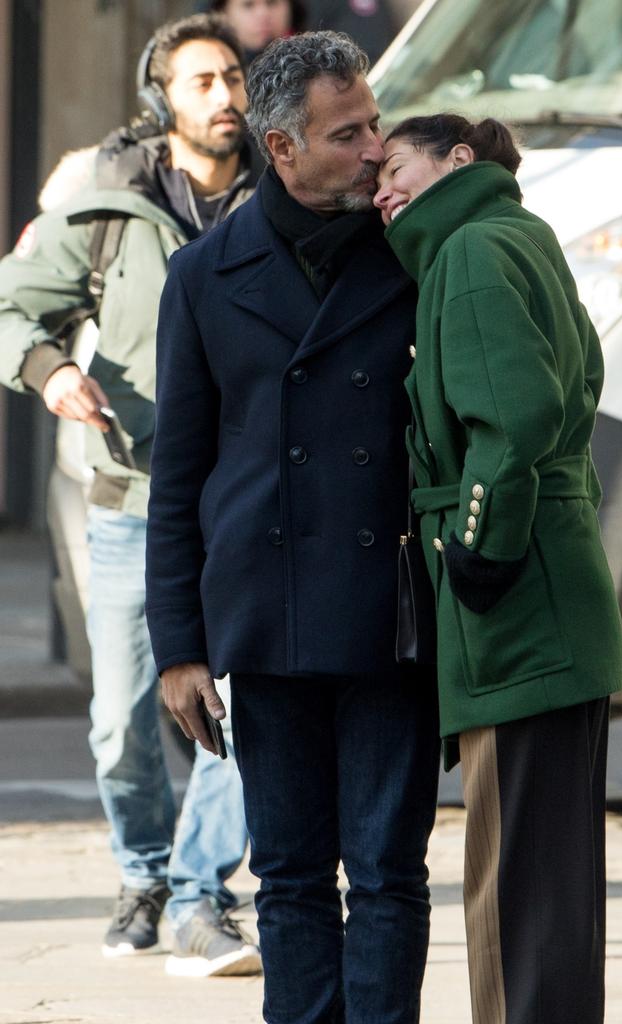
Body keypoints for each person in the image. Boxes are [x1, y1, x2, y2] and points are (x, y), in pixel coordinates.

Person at [145, 30, 441, 1024]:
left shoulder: (414, 252)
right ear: (281, 147)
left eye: (374, 123)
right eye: (346, 132)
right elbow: (179, 471)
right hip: (266, 622)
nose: (373, 147)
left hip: (389, 618)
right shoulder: (202, 275)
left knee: (391, 874)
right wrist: (179, 647)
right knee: (293, 878)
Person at [0, 13, 263, 978]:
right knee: (122, 723)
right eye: (201, 81)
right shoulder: (110, 200)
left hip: (247, 501)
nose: (224, 95)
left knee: (247, 706)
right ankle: (145, 873)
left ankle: (202, 892)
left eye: (233, 76)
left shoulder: (285, 194)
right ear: (162, 99)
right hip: (131, 498)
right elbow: (12, 300)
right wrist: (45, 372)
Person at [373, 114, 622, 1024]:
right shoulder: (515, 235)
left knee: (516, 887)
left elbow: (514, 416)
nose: (382, 190)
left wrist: (481, 544)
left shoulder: (472, 251)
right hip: (555, 598)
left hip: (521, 606)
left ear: (459, 160)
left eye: (396, 166)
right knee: (545, 889)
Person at [209, 0, 307, 63]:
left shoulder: (313, 61)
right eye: (248, 5)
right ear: (223, 12)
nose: (263, 14)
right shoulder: (210, 63)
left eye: (272, 2)